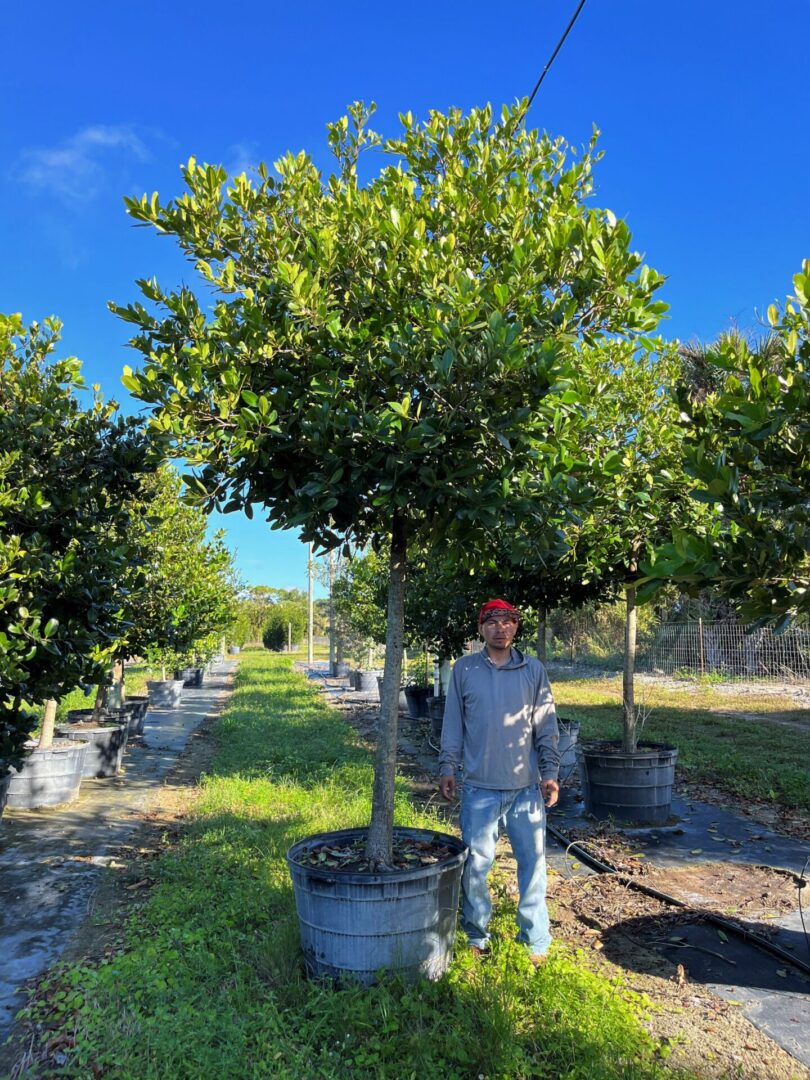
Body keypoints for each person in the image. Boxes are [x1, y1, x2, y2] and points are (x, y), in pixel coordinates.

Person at [439, 598, 560, 965]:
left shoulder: (533, 670)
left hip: (525, 789)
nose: (500, 628)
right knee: (475, 866)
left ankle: (535, 939)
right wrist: (448, 765)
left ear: (516, 627)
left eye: (507, 621)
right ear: (480, 628)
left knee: (533, 865)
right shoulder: (464, 670)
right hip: (479, 789)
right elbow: (453, 724)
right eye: (491, 621)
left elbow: (546, 724)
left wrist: (550, 773)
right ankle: (477, 935)